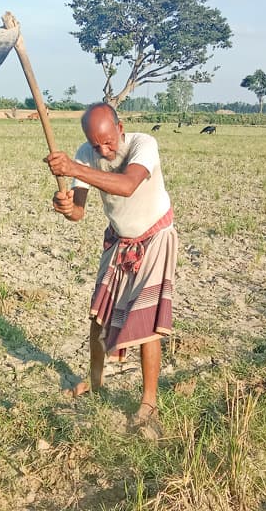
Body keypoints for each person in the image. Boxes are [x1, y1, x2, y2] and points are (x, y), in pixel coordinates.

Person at [44, 102, 178, 426]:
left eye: (109, 141)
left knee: (147, 323)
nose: (103, 150)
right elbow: (78, 213)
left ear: (120, 128)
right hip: (119, 239)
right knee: (98, 316)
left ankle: (148, 403)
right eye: (95, 145)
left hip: (155, 237)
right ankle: (95, 384)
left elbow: (128, 186)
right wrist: (63, 204)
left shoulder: (143, 144)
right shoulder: (86, 154)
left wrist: (73, 169)